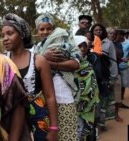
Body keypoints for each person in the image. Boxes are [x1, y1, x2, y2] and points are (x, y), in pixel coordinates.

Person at [2, 13, 58, 141]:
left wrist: (54, 128)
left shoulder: (39, 60)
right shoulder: (2, 61)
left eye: (10, 33)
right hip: (12, 118)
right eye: (3, 35)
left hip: (38, 118)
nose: (5, 38)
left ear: (21, 34)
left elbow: (49, 96)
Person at [34, 13, 82, 141]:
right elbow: (33, 70)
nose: (45, 32)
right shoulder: (36, 49)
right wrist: (44, 57)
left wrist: (50, 63)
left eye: (49, 28)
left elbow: (76, 64)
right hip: (43, 102)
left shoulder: (66, 43)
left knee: (68, 136)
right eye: (41, 29)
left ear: (54, 29)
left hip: (63, 98)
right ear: (37, 31)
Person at [90, 23, 118, 131]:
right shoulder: (89, 44)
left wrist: (113, 77)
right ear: (92, 32)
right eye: (95, 30)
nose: (98, 32)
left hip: (105, 77)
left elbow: (113, 60)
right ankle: (93, 125)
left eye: (100, 30)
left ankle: (102, 124)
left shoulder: (108, 43)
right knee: (94, 102)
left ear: (103, 31)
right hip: (92, 78)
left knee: (103, 101)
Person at [74, 36, 100, 140]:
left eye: (84, 46)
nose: (82, 49)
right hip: (77, 104)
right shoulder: (69, 65)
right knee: (78, 131)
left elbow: (93, 82)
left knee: (90, 130)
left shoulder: (88, 62)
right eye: (79, 46)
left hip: (91, 103)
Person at [116, 30, 129, 103]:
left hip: (127, 65)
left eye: (118, 35)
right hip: (117, 67)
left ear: (122, 35)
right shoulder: (115, 43)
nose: (116, 36)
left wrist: (127, 58)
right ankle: (121, 96)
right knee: (120, 82)